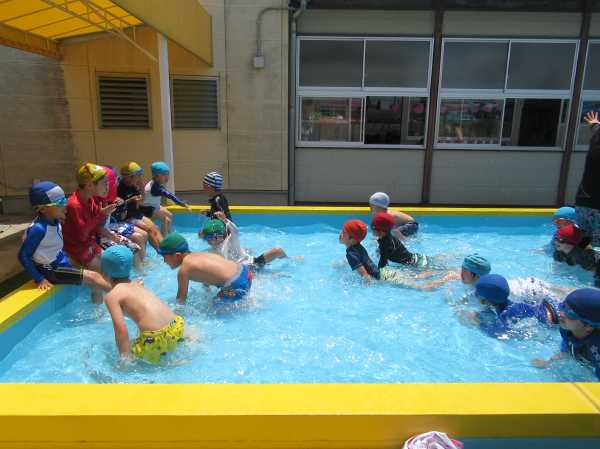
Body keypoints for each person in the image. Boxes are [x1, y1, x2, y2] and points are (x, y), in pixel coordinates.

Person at [18, 181, 111, 297]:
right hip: (50, 270)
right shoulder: (39, 229)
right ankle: (123, 296)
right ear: (43, 209)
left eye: (65, 200)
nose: (65, 205)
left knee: (95, 272)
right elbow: (23, 255)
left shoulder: (54, 220)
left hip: (60, 260)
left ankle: (99, 302)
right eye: (60, 203)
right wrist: (39, 279)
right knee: (94, 277)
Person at [101, 245, 185, 364]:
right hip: (176, 326)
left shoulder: (112, 296)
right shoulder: (138, 284)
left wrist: (124, 360)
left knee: (132, 359)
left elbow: (121, 330)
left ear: (104, 271)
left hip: (154, 339)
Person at [62, 163, 118, 303]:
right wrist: (101, 214)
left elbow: (94, 225)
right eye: (104, 183)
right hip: (75, 248)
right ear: (89, 186)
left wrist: (111, 235)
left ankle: (106, 301)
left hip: (87, 243)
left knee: (111, 263)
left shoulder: (90, 199)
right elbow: (82, 234)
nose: (108, 186)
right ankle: (98, 306)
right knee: (99, 271)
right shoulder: (74, 205)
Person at [158, 233, 252, 304]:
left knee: (215, 306)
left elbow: (180, 301)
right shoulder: (199, 255)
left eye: (164, 257)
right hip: (245, 272)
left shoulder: (184, 270)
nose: (164, 261)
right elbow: (209, 273)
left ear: (177, 255)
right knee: (219, 297)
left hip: (236, 284)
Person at [531, 288, 600, 380]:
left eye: (571, 314)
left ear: (589, 326)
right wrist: (549, 362)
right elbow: (567, 349)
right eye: (563, 306)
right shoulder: (567, 327)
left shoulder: (596, 347)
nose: (561, 314)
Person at [461, 274, 559, 337]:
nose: (475, 294)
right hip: (549, 305)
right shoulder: (507, 301)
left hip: (553, 322)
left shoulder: (506, 314)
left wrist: (477, 323)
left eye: (477, 294)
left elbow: (495, 333)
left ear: (485, 301)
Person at [97, 165, 146, 264]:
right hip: (103, 233)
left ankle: (142, 264)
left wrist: (122, 204)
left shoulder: (106, 197)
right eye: (106, 184)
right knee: (136, 242)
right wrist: (113, 236)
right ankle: (140, 268)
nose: (115, 184)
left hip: (109, 227)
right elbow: (98, 227)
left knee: (141, 237)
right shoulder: (97, 200)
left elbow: (122, 214)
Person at [200, 216, 287, 269]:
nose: (211, 240)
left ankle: (289, 260)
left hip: (253, 264)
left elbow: (235, 231)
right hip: (241, 273)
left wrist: (225, 220)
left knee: (277, 250)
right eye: (207, 238)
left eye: (214, 237)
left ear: (222, 235)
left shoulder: (230, 241)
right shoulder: (211, 252)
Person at [116, 161, 163, 250]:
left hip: (135, 214)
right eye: (138, 176)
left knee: (155, 228)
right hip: (127, 217)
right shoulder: (119, 187)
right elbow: (117, 206)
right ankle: (160, 252)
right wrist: (131, 200)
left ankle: (165, 250)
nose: (139, 178)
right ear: (129, 177)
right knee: (148, 230)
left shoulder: (133, 185)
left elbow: (141, 200)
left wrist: (142, 189)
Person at [141, 161, 191, 235]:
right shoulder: (155, 188)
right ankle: (165, 238)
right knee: (166, 220)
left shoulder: (156, 183)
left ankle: (170, 234)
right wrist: (181, 203)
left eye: (168, 174)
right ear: (156, 176)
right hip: (146, 209)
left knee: (169, 215)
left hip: (153, 206)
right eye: (164, 174)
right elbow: (170, 195)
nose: (167, 177)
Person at [575, 111, 600, 247]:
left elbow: (597, 130)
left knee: (581, 242)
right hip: (597, 206)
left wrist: (594, 124)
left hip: (583, 202)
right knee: (597, 248)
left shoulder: (597, 139)